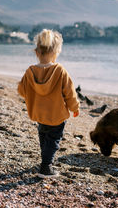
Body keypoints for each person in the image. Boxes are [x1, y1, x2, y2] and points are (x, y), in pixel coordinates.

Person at [18, 29, 80, 178]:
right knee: (53, 140)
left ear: (36, 52)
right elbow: (70, 94)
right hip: (56, 114)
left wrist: (33, 94)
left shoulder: (30, 71)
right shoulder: (60, 71)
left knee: (44, 137)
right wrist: (75, 108)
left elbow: (21, 90)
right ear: (56, 51)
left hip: (39, 113)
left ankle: (45, 161)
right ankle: (46, 167)